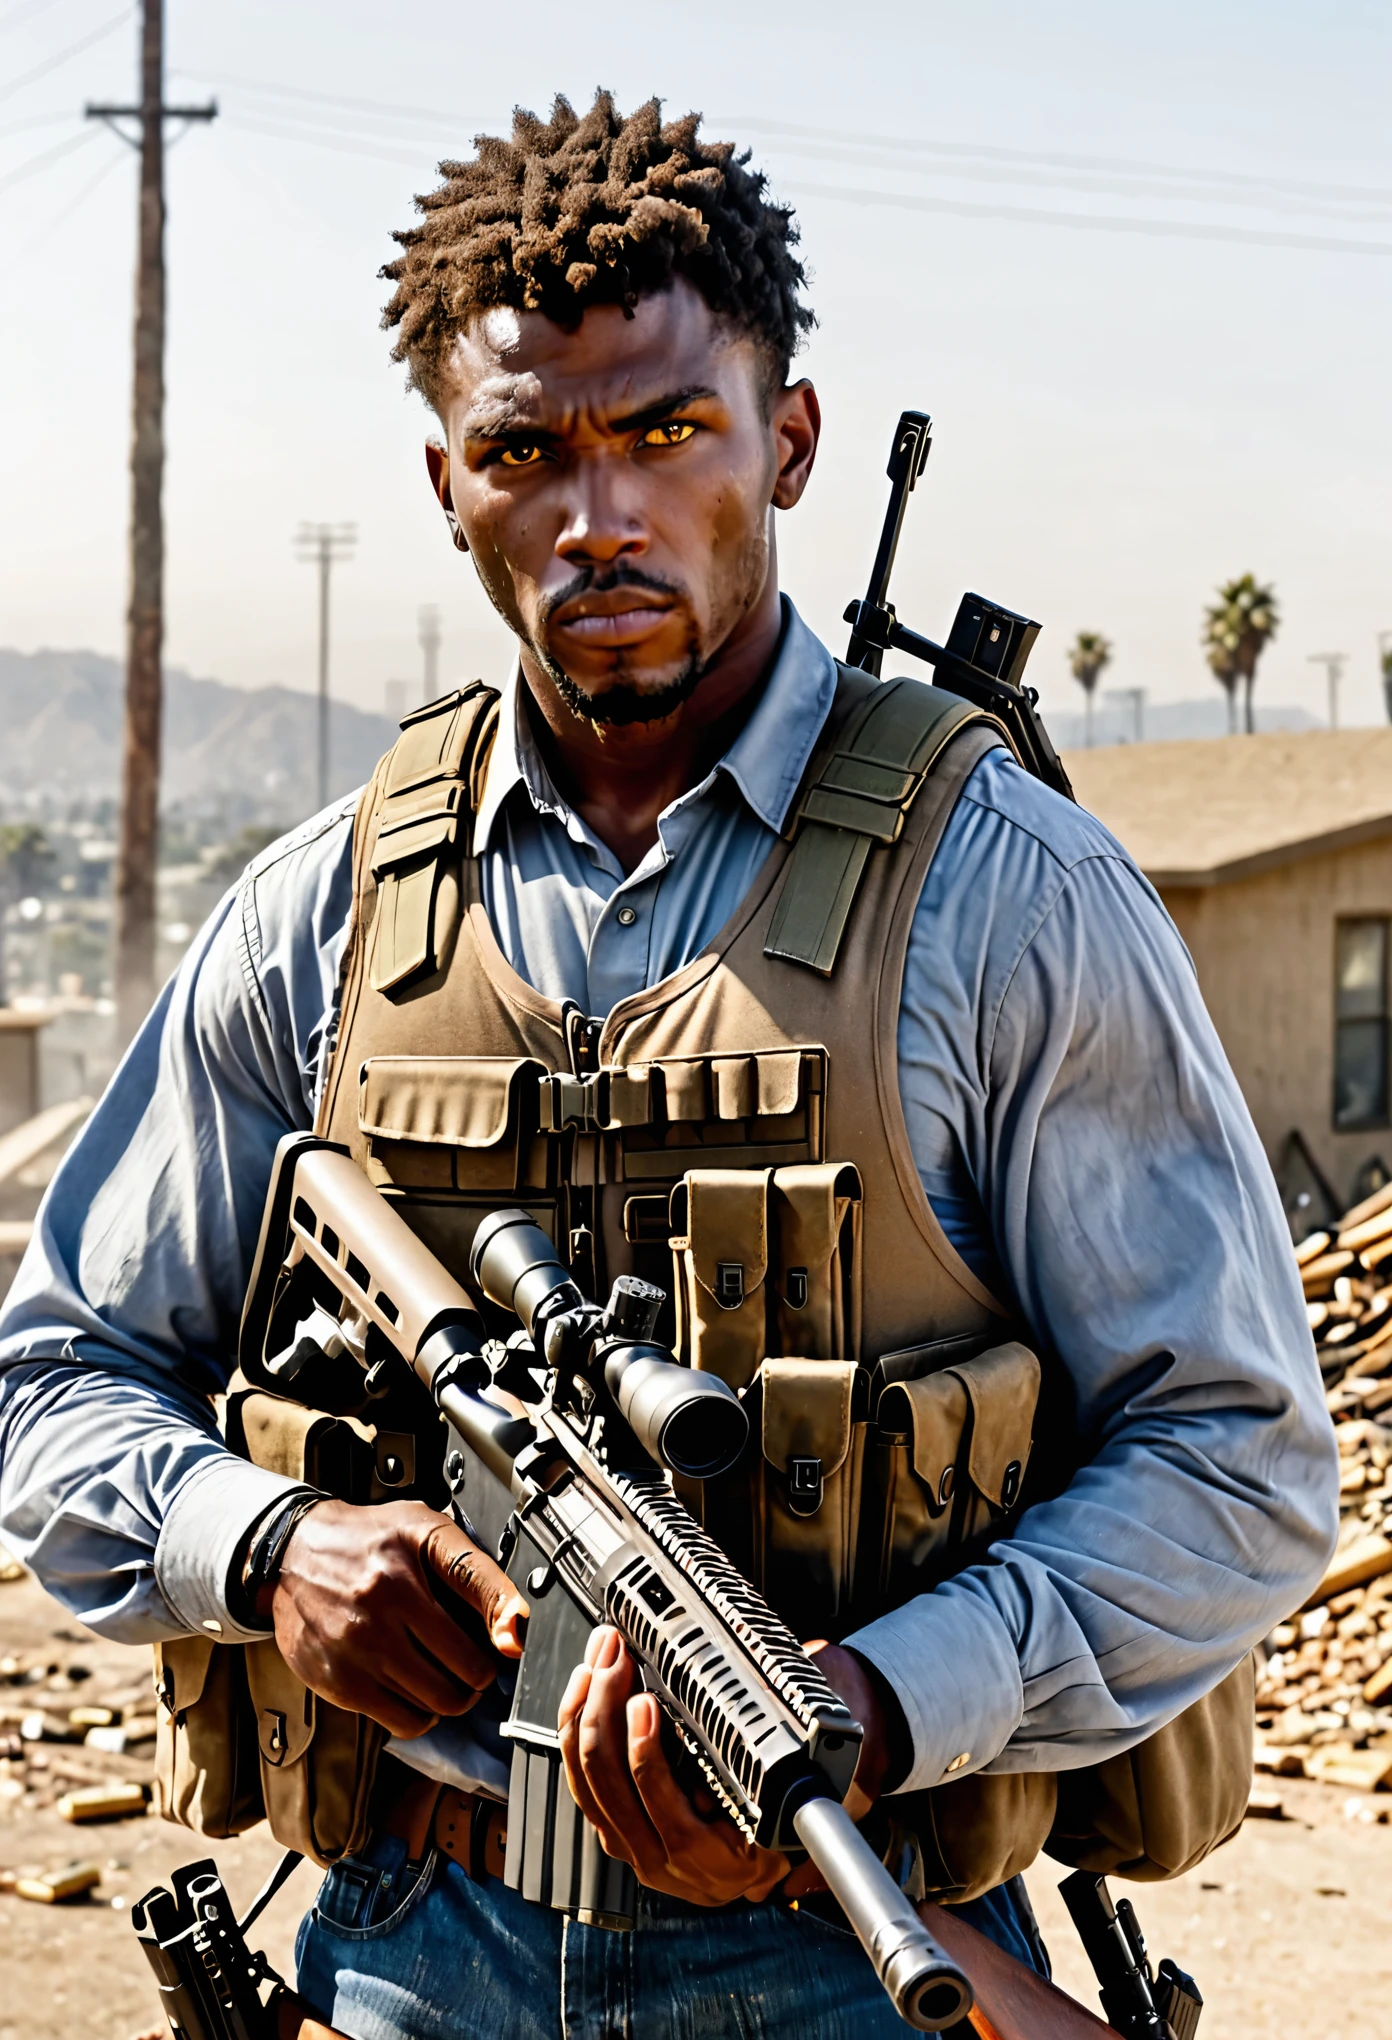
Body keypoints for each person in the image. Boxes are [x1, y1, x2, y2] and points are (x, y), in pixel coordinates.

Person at [0, 92, 1336, 2040]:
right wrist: (268, 1546)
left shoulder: (1006, 897)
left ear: (786, 440)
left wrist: (878, 1706)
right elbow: (55, 1380)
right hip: (413, 1943)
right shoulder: (325, 913)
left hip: (844, 1950)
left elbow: (1240, 1457)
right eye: (527, 451)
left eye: (664, 434)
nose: (598, 515)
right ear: (450, 484)